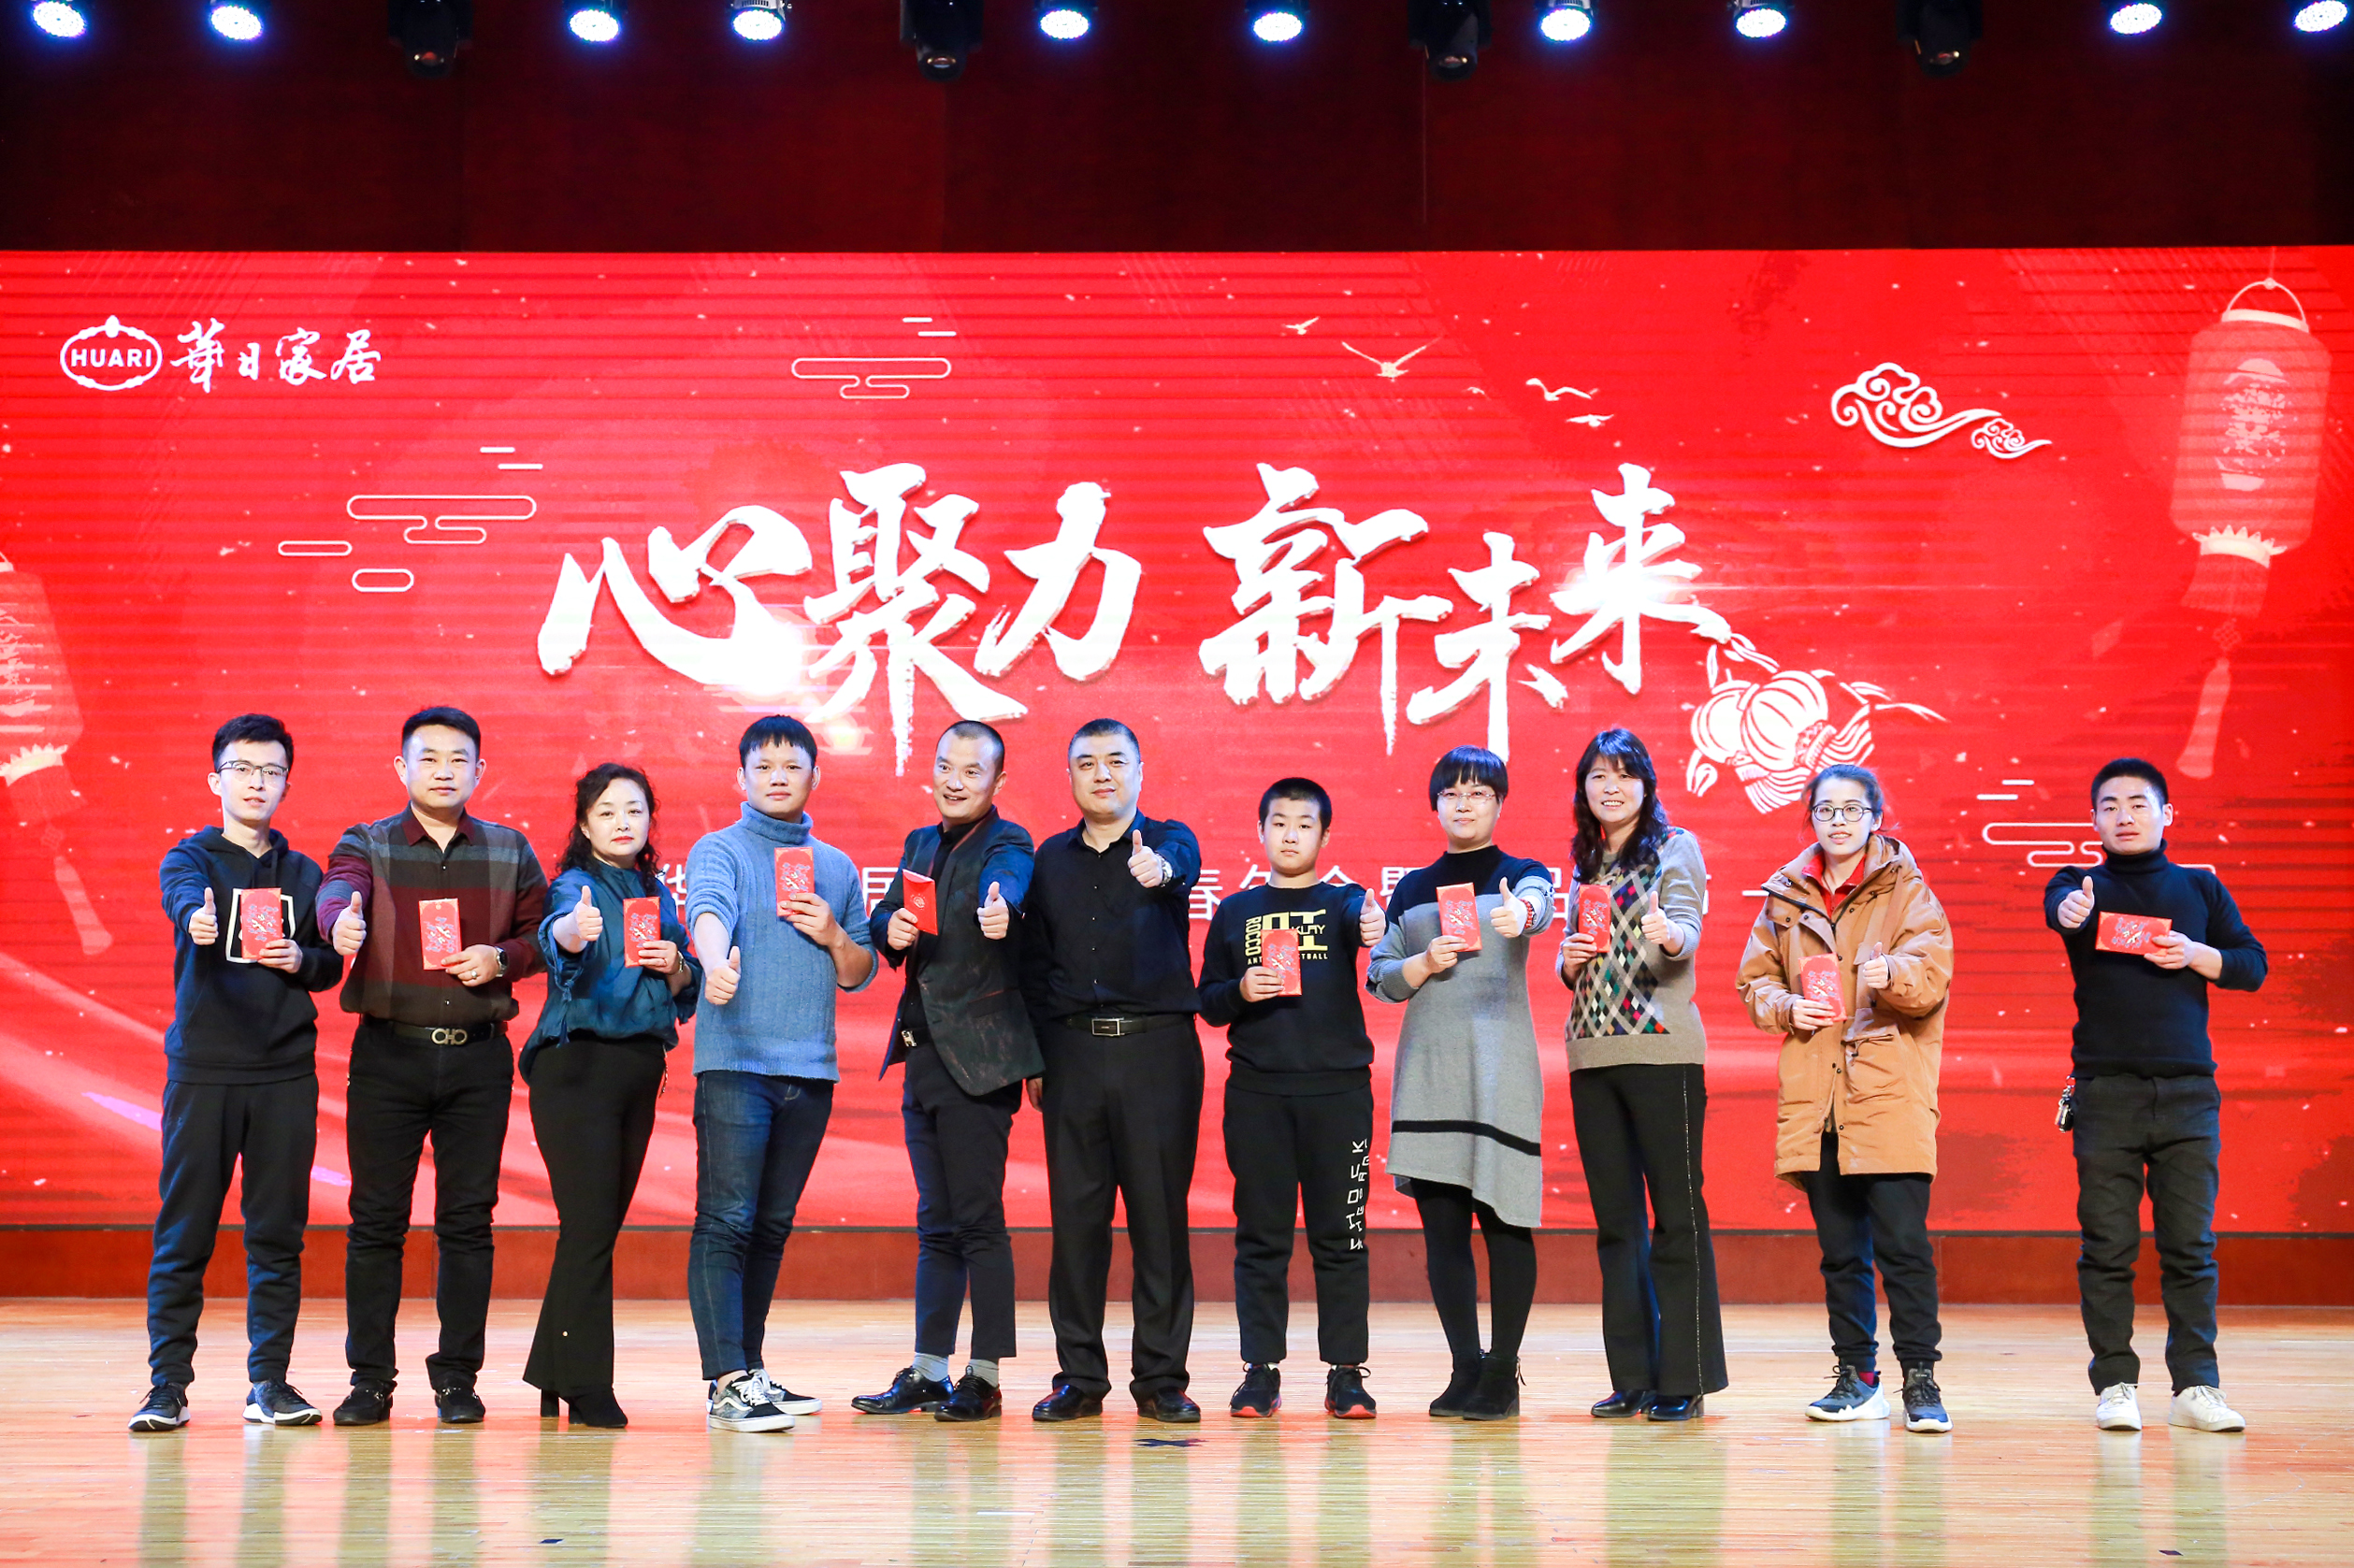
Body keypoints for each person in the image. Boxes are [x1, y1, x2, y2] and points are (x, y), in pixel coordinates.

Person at [319, 706, 548, 1427]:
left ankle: (457, 1378)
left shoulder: (509, 849)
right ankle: (369, 1380)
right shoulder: (369, 841)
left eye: (459, 758)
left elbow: (543, 933)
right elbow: (339, 885)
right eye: (429, 757)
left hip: (478, 1057)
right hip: (389, 1054)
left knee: (467, 1221)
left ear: (480, 769)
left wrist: (502, 958)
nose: (444, 770)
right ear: (402, 767)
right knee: (375, 1220)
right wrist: (339, 921)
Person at [130, 715, 343, 1433]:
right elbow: (181, 896)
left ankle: (269, 1382)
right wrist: (194, 916)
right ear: (216, 779)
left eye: (272, 771)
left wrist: (302, 960)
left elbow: (328, 964)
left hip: (284, 1074)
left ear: (286, 783)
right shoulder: (189, 859)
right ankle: (166, 1386)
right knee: (184, 1230)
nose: (257, 782)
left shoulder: (303, 873)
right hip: (204, 1071)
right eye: (243, 769)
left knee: (277, 1233)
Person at [2045, 757, 2265, 1435]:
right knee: (2107, 1246)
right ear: (2093, 818)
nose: (2124, 815)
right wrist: (2071, 910)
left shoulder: (2200, 886)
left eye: (2138, 803)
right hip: (2105, 1091)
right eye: (2109, 805)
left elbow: (2251, 965)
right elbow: (2061, 911)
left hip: (2188, 1093)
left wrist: (2197, 954)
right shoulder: (2077, 883)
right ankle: (2114, 1383)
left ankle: (2196, 1386)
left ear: (2165, 813)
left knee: (2190, 1247)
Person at [1735, 763, 1955, 1434]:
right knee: (1840, 1253)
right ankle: (1857, 1378)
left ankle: (1920, 1378)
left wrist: (1894, 973)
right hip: (1818, 1094)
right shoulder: (1786, 895)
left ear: (1875, 818)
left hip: (1886, 1090)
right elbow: (1753, 983)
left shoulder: (1907, 889)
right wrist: (1787, 1006)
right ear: (1811, 817)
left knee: (1904, 1249)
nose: (1837, 821)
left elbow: (1931, 977)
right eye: (1825, 809)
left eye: (1851, 809)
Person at [684, 714, 876, 1433]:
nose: (777, 777)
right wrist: (714, 961)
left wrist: (831, 931)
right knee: (726, 1220)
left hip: (809, 1070)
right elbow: (707, 908)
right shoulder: (719, 848)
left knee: (769, 1226)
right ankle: (726, 1381)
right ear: (740, 777)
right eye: (762, 766)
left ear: (813, 776)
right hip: (736, 1064)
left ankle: (750, 1368)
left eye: (791, 765)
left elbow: (858, 970)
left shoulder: (837, 866)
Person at [852, 721, 1041, 1425]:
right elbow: (885, 913)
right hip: (923, 1053)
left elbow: (1007, 886)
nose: (955, 781)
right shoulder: (919, 844)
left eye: (972, 770)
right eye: (945, 766)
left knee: (978, 1222)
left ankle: (984, 1376)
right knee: (935, 1223)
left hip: (980, 1061)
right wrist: (889, 929)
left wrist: (1002, 909)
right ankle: (930, 1370)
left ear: (998, 781)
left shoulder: (1007, 842)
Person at [1020, 718, 1206, 1424]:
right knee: (1076, 1223)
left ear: (1139, 771)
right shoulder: (1049, 859)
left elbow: (1179, 865)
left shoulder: (1169, 840)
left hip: (1157, 1052)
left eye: (1116, 761)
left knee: (1160, 1219)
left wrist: (1160, 870)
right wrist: (1036, 1055)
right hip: (1072, 1053)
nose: (1102, 773)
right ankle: (1079, 1376)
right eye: (1087, 762)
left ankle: (1161, 1378)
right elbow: (1036, 966)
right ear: (1070, 775)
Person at [1366, 744, 1554, 1422]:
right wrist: (1421, 963)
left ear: (1499, 803)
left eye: (1479, 792)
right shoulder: (1412, 887)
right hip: (1431, 1074)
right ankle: (1465, 1367)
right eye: (1452, 792)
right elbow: (1380, 975)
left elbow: (1539, 907)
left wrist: (1520, 916)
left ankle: (1502, 1371)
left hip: (1500, 1072)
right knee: (1443, 1233)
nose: (1464, 803)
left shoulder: (1521, 875)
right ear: (1435, 804)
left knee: (1505, 1223)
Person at [1198, 777, 1387, 1420]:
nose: (1290, 834)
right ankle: (1260, 1371)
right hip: (1258, 1094)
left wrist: (1372, 921)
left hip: (1339, 1095)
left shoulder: (1342, 902)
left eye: (1304, 824)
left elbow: (1369, 924)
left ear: (1324, 836)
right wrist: (1241, 990)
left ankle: (1346, 1373)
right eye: (1278, 822)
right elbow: (1207, 1001)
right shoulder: (1234, 911)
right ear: (1260, 831)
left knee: (1343, 1236)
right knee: (1261, 1238)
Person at [521, 763, 702, 1430]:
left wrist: (676, 964)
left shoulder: (657, 893)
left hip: (638, 1068)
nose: (623, 822)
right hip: (578, 1066)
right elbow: (560, 935)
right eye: (607, 811)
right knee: (591, 1227)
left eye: (634, 810)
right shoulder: (577, 885)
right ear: (584, 824)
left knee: (593, 1228)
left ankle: (553, 1370)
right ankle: (587, 1384)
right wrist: (572, 931)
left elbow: (686, 982)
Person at [1555, 727, 1726, 1424]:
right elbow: (1574, 961)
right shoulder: (1584, 861)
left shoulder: (1675, 846)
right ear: (1583, 788)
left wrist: (1669, 935)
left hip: (1662, 1053)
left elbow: (1686, 928)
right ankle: (1631, 1377)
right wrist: (1568, 959)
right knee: (1615, 1226)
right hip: (1591, 1055)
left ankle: (1683, 1376)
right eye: (1598, 775)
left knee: (1676, 1218)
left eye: (1625, 774)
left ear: (1646, 785)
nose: (1611, 787)